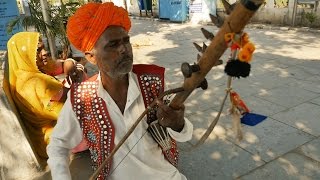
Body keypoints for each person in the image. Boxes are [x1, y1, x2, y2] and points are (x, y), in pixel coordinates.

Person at [47, 2, 193, 180]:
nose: (124, 49)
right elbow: (57, 145)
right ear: (91, 56)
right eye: (113, 45)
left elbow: (186, 135)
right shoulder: (81, 97)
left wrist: (178, 124)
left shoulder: (153, 82)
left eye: (126, 41)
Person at [6, 32, 85, 162]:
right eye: (37, 50)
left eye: (44, 47)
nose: (45, 53)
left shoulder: (27, 70)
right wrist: (77, 83)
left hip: (49, 134)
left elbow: (60, 64)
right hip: (55, 138)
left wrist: (71, 64)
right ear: (25, 55)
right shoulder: (35, 84)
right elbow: (68, 114)